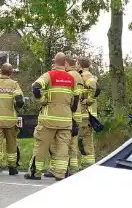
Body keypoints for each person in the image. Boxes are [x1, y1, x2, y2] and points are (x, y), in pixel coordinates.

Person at [27, 52, 79, 181]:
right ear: (64, 63)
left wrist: (42, 100)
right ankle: (60, 174)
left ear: (55, 62)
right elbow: (76, 98)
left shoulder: (49, 75)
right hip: (66, 119)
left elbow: (36, 87)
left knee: (41, 146)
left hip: (48, 119)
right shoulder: (71, 78)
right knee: (63, 147)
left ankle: (35, 173)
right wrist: (69, 110)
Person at [0, 63, 24, 176]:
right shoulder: (13, 84)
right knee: (11, 143)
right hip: (10, 120)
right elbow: (20, 100)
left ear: (0, 71)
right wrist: (16, 108)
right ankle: (12, 167)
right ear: (11, 73)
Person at [78, 58, 100, 168]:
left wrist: (88, 101)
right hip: (87, 115)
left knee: (83, 141)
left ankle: (87, 165)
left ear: (80, 65)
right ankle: (88, 164)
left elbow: (96, 89)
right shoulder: (87, 75)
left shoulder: (85, 76)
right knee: (86, 141)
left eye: (77, 63)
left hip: (85, 115)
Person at [66, 57, 85, 176]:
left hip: (69, 113)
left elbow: (69, 96)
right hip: (77, 113)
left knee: (62, 143)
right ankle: (74, 167)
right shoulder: (79, 76)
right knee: (73, 143)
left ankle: (62, 168)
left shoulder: (69, 76)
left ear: (67, 64)